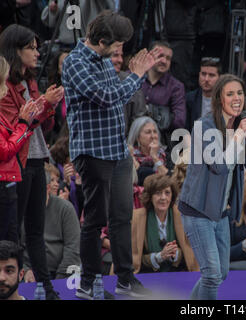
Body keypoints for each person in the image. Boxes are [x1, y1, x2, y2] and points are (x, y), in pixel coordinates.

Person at [61, 10, 161, 300]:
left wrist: (131, 78)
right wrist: (138, 75)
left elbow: (117, 96)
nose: (120, 50)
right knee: (95, 219)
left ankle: (125, 279)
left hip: (117, 151)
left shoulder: (104, 60)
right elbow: (105, 98)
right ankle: (88, 283)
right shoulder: (75, 63)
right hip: (92, 152)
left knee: (121, 217)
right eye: (117, 44)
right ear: (103, 40)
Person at [178, 74, 246, 300]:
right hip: (198, 210)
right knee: (212, 274)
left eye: (240, 93)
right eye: (230, 93)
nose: (237, 98)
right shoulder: (204, 126)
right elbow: (220, 166)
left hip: (221, 213)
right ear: (219, 99)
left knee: (220, 273)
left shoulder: (240, 123)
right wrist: (240, 134)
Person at [0, 24, 65, 300]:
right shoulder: (5, 87)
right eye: (31, 47)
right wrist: (43, 105)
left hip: (39, 159)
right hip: (20, 165)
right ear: (16, 50)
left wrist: (48, 104)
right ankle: (10, 289)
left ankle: (47, 289)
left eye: (37, 48)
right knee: (13, 233)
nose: (37, 53)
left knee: (36, 230)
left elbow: (45, 125)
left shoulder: (31, 81)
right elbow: (18, 126)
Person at [0, 56, 42, 242]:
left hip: (8, 181)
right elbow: (6, 150)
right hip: (3, 183)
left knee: (11, 242)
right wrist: (24, 123)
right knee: (6, 242)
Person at [136, 174, 192, 272]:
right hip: (148, 277)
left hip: (178, 275)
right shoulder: (137, 218)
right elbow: (134, 259)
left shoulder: (182, 216)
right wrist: (159, 257)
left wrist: (175, 253)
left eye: (167, 193)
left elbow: (191, 255)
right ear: (150, 196)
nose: (163, 197)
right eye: (158, 193)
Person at [141, 41, 186, 147]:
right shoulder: (135, 77)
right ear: (149, 56)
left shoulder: (176, 87)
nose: (164, 61)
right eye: (160, 56)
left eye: (168, 58)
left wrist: (151, 112)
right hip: (131, 140)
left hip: (160, 143)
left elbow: (179, 120)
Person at [110, 45, 147, 137]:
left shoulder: (129, 80)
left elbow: (139, 118)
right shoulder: (90, 80)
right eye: (115, 55)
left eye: (121, 56)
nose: (120, 60)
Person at [127, 116, 169, 185]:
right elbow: (140, 179)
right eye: (148, 132)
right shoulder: (131, 156)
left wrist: (155, 157)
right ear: (137, 137)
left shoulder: (165, 155)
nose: (153, 136)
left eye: (155, 132)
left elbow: (169, 178)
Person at [185, 57, 221, 132]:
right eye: (203, 74)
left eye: (211, 75)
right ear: (199, 75)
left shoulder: (224, 100)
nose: (206, 79)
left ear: (219, 78)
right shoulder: (190, 99)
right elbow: (185, 129)